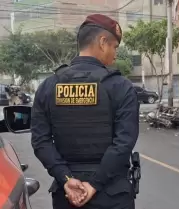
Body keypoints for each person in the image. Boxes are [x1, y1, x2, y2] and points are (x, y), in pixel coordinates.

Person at [31, 14, 139, 209]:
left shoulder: (48, 87)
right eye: (115, 47)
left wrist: (66, 178)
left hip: (67, 196)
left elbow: (41, 142)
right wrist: (94, 184)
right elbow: (123, 144)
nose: (115, 55)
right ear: (102, 42)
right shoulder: (121, 87)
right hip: (112, 196)